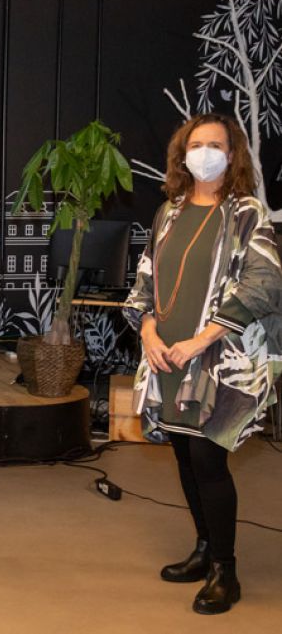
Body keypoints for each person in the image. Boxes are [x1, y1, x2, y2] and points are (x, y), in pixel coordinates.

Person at [123, 113, 282, 615]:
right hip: (166, 355)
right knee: (183, 456)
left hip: (219, 357)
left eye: (216, 144)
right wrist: (147, 330)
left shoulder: (248, 213)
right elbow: (146, 277)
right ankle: (204, 548)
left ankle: (225, 571)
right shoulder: (167, 212)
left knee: (209, 460)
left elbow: (264, 283)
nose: (206, 152)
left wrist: (202, 340)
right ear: (182, 155)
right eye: (197, 144)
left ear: (232, 155)